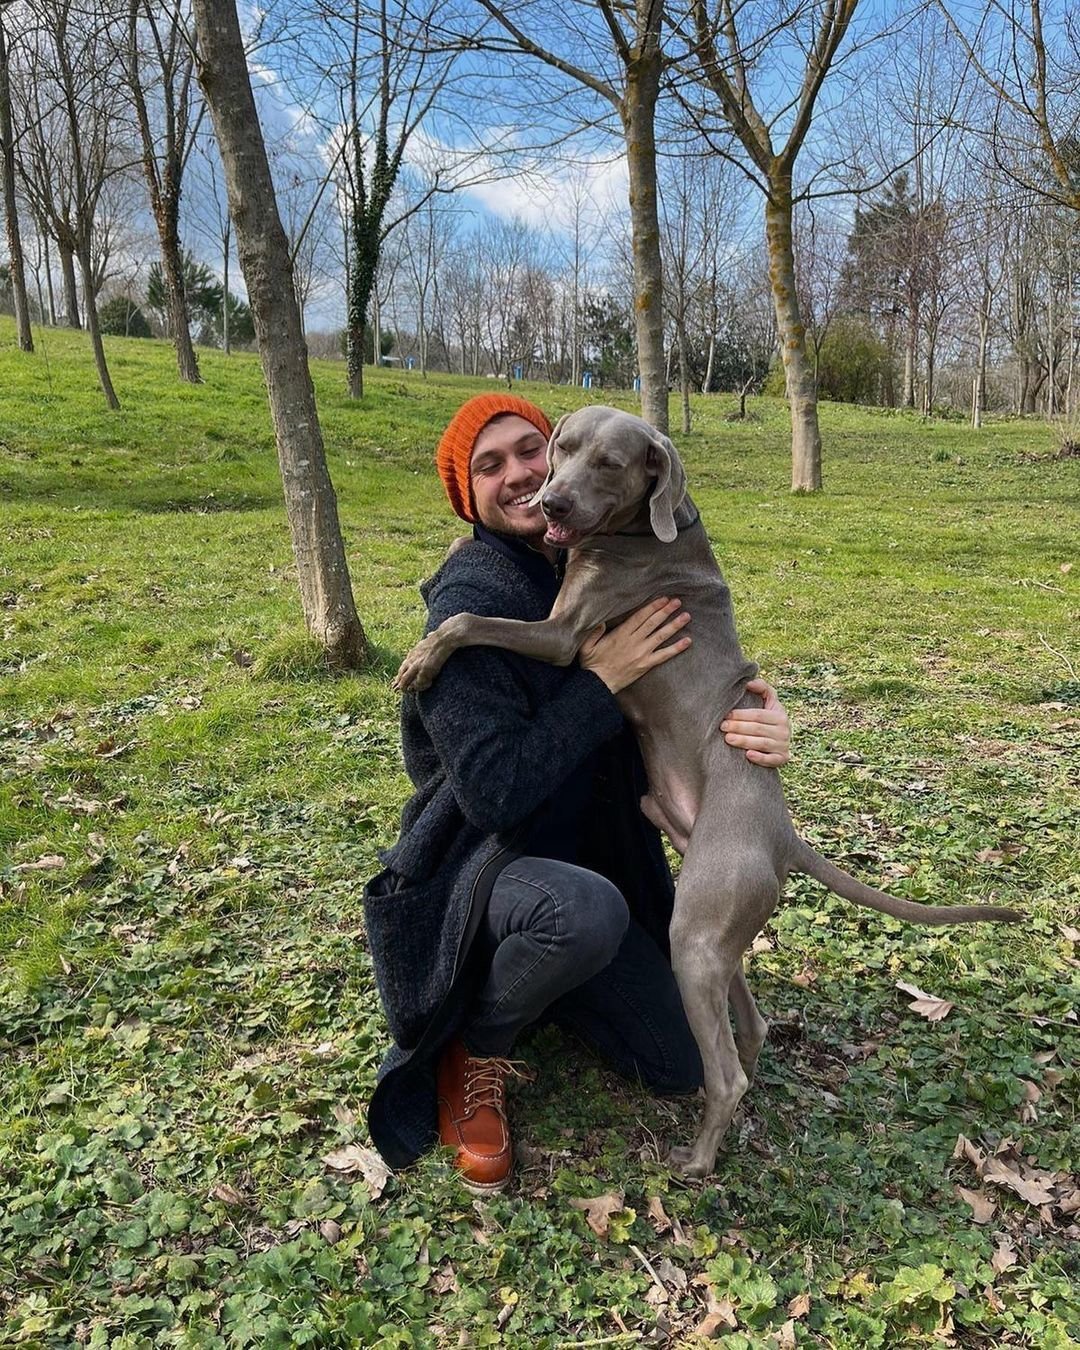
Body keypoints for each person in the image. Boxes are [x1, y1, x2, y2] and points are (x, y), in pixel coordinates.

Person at [364, 394, 790, 1192]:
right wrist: (599, 682)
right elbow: (495, 796)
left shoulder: (596, 556)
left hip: (588, 850)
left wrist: (756, 721)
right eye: (491, 466)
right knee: (577, 913)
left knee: (675, 1061)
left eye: (534, 449)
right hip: (480, 863)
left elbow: (685, 680)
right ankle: (473, 1045)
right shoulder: (470, 597)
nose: (533, 476)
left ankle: (546, 984)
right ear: (467, 496)